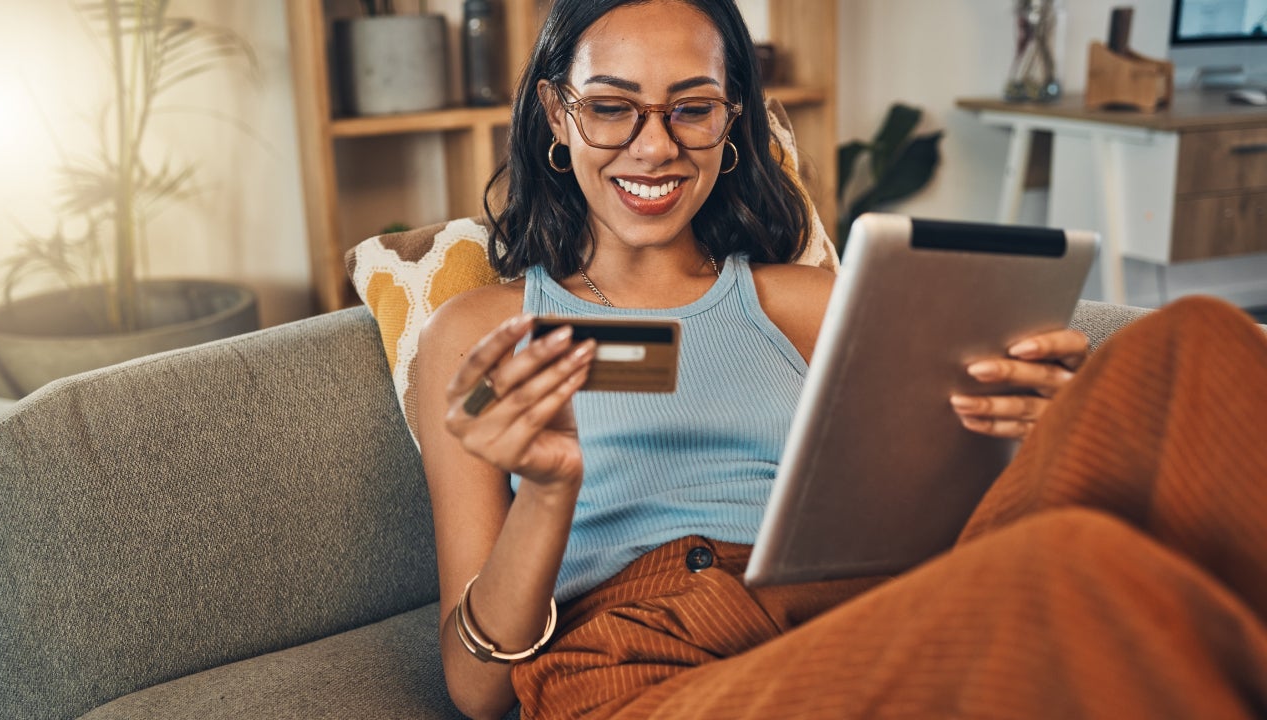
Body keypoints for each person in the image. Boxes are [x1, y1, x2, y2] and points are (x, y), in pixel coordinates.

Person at [415, 1, 1267, 718]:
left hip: (844, 604)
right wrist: (551, 492)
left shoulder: (811, 300)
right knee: (1067, 569)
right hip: (639, 661)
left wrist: (1042, 425)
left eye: (692, 106)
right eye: (611, 107)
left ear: (732, 116)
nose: (654, 147)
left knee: (1198, 343)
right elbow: (476, 688)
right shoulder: (482, 330)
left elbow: (930, 501)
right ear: (560, 115)